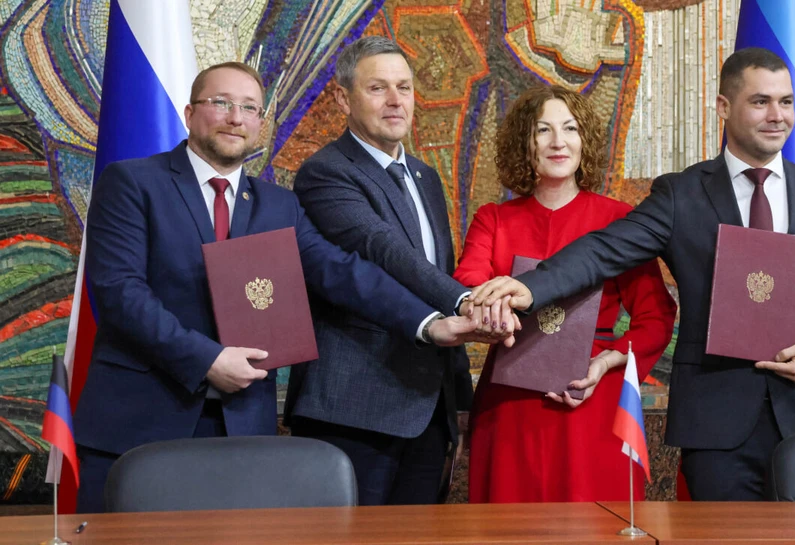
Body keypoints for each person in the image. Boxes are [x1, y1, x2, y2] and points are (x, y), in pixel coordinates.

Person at [469, 48, 795, 501]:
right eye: (760, 101)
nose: (777, 115)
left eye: (786, 102)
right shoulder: (680, 195)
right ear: (724, 107)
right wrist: (528, 289)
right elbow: (601, 251)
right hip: (716, 428)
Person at [72, 61, 480, 513]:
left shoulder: (278, 205)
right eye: (221, 103)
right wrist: (207, 360)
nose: (236, 117)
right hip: (140, 427)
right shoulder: (132, 182)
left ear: (260, 124)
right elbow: (120, 293)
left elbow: (342, 272)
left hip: (242, 429)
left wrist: (428, 324)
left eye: (250, 108)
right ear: (189, 113)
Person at [284, 37, 515, 506]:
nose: (395, 100)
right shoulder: (325, 172)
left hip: (428, 413)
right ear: (343, 98)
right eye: (378, 88)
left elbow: (433, 275)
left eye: (404, 87)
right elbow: (381, 248)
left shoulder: (425, 177)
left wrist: (459, 400)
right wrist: (466, 302)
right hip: (353, 409)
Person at [453, 85, 677, 502]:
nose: (558, 141)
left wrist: (606, 361)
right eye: (543, 130)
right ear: (524, 143)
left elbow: (656, 318)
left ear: (584, 139)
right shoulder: (494, 219)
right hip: (509, 402)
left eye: (570, 128)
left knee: (595, 521)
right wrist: (484, 306)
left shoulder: (619, 220)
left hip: (593, 395)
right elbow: (469, 282)